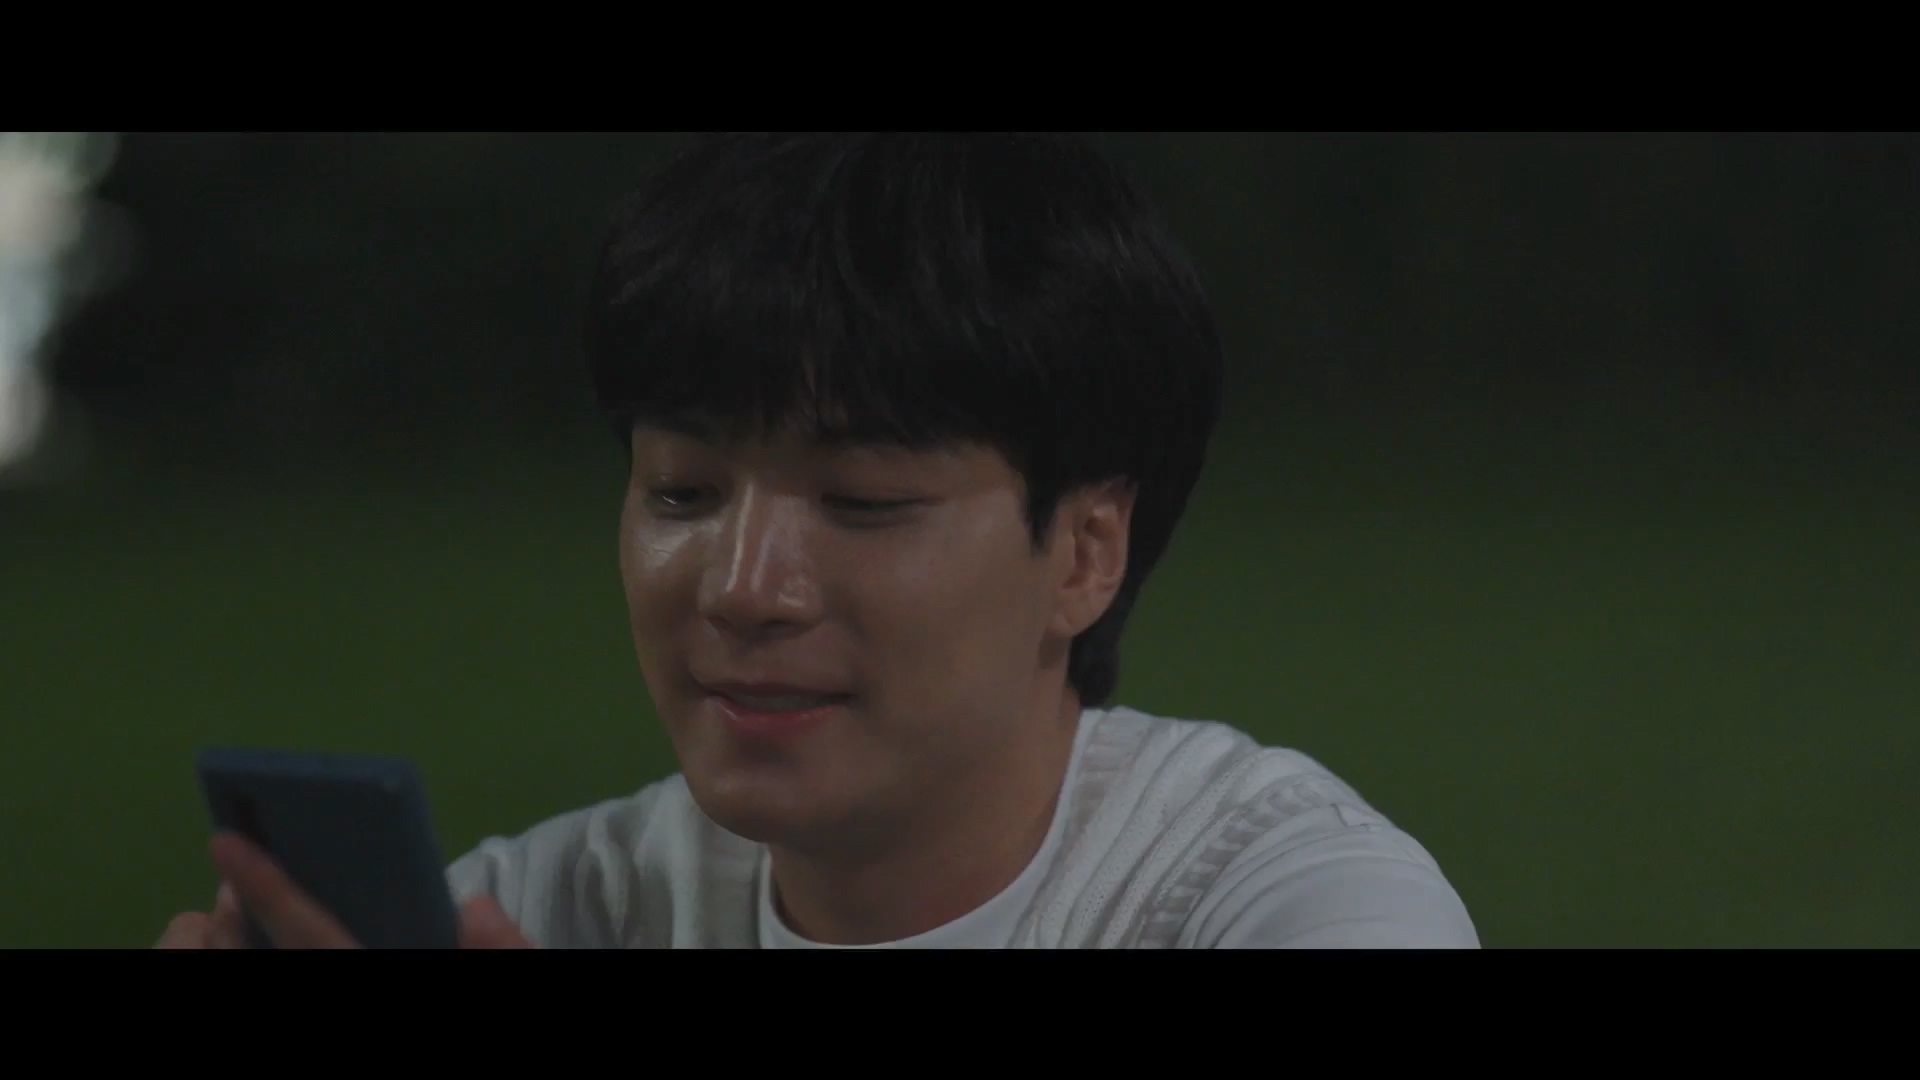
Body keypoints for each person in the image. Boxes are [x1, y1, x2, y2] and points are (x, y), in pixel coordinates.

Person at [156, 132, 1479, 950]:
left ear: (1083, 553)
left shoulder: (1283, 903)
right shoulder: (554, 910)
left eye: (864, 503)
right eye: (683, 493)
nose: (745, 589)